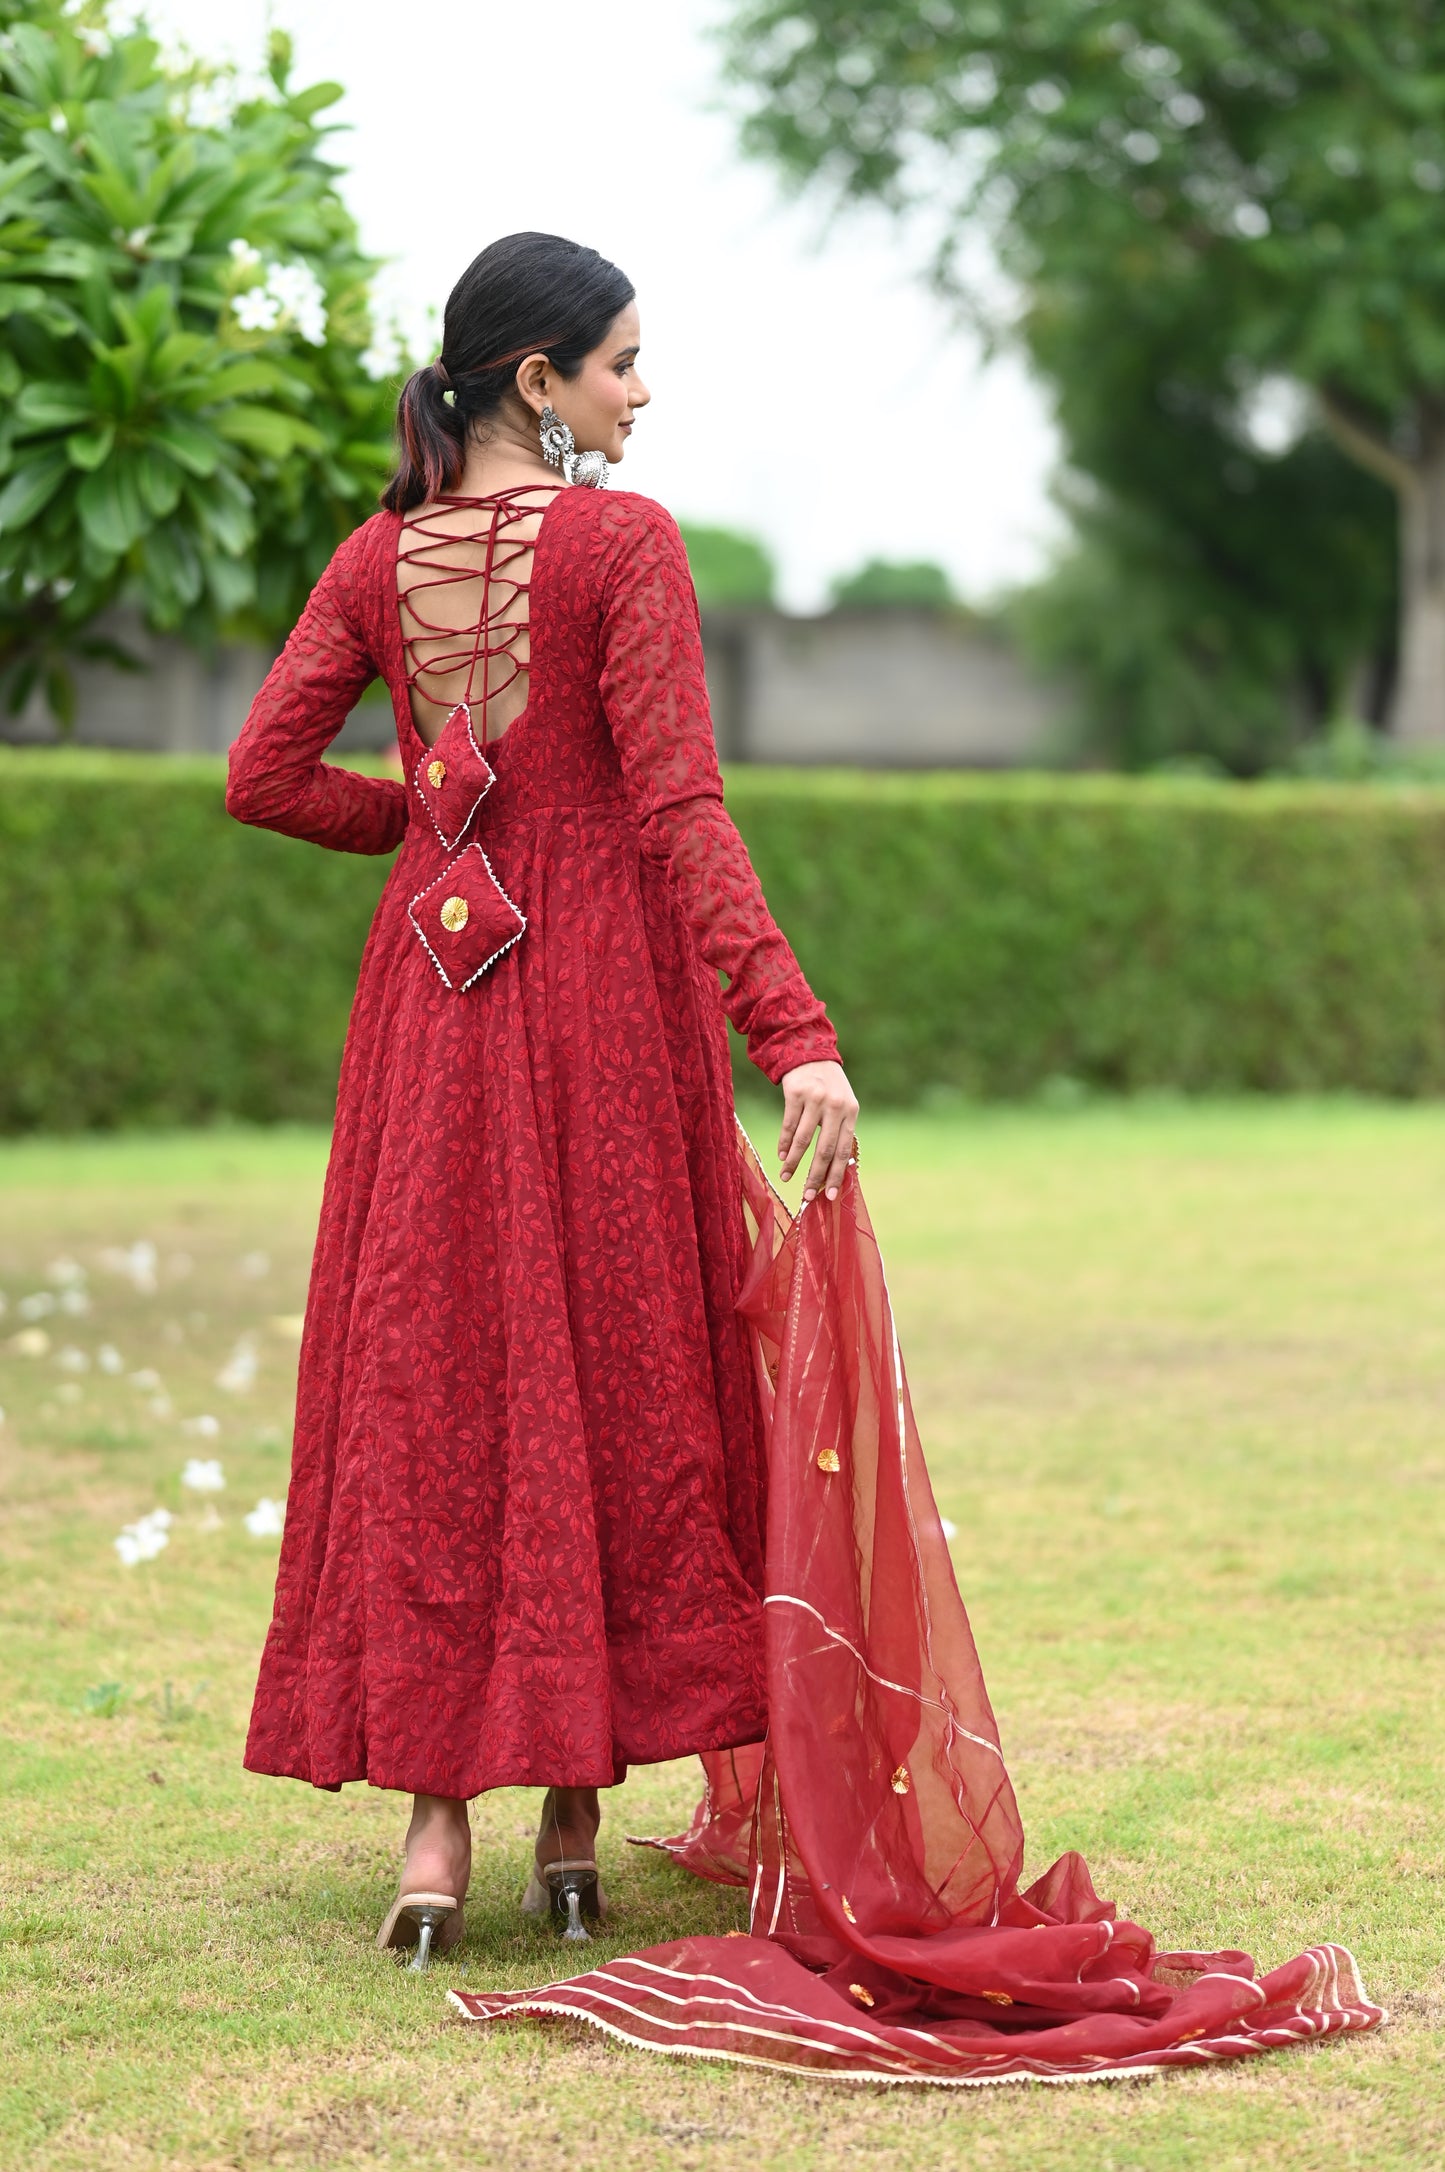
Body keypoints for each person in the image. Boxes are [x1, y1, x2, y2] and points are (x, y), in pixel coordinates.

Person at [226, 230, 858, 1965]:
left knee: (439, 1362)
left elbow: (263, 778)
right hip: (593, 1010)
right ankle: (569, 1813)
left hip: (430, 1012)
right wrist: (789, 1025)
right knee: (613, 1354)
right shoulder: (623, 549)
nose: (642, 393)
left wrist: (426, 837)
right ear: (538, 379)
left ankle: (439, 1828)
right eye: (622, 363)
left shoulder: (376, 558)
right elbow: (676, 812)